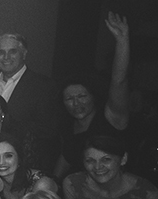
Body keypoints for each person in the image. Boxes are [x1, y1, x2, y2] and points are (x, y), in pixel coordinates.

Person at [56, 12, 132, 177]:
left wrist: (122, 41)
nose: (76, 103)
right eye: (69, 99)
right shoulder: (67, 125)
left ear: (93, 96)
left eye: (82, 96)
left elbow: (119, 80)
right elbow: (66, 157)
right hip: (78, 188)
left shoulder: (112, 117)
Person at [0, 32, 59, 173]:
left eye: (12, 52)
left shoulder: (43, 86)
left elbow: (48, 132)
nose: (6, 57)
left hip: (26, 167)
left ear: (24, 54)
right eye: (1, 52)